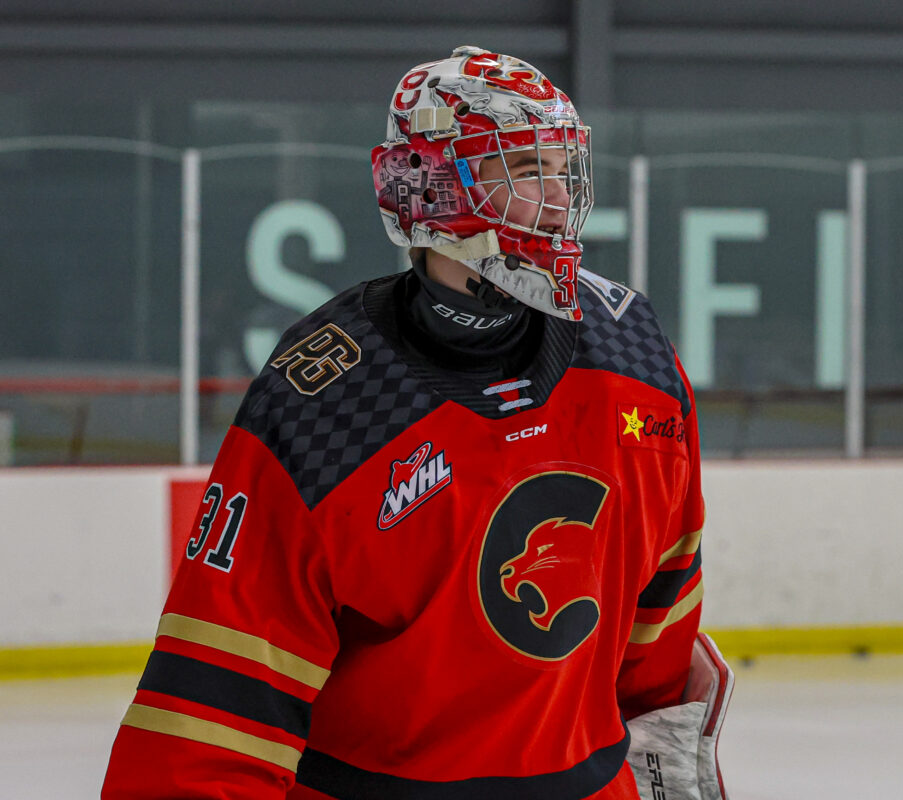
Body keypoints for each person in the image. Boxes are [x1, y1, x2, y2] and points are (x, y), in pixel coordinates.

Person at [102, 45, 731, 800]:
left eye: (563, 168)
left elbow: (660, 619)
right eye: (526, 169)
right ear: (430, 186)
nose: (560, 197)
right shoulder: (327, 402)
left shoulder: (634, 351)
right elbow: (211, 718)